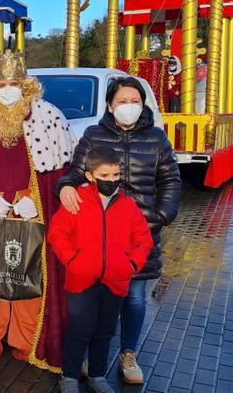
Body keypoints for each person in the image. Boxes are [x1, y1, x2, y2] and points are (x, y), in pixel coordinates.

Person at [0, 50, 75, 372]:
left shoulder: (49, 117)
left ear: (27, 85)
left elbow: (59, 172)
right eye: (3, 83)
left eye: (15, 83)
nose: (9, 88)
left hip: (31, 208)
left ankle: (27, 341)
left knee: (30, 273)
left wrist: (37, 200)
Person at [58, 76, 181, 384]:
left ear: (143, 105)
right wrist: (65, 187)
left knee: (135, 298)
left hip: (140, 230)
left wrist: (162, 214)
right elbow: (75, 171)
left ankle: (128, 354)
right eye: (122, 102)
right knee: (98, 299)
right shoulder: (93, 134)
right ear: (110, 106)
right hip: (100, 233)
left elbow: (171, 180)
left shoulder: (156, 138)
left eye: (135, 102)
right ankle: (92, 357)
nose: (129, 107)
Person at [48, 146, 153, 393]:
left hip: (115, 281)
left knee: (105, 332)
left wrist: (131, 265)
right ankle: (70, 377)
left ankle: (97, 376)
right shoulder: (78, 201)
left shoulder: (127, 206)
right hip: (81, 281)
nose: (112, 181)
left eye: (116, 175)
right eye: (105, 176)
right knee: (80, 331)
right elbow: (57, 233)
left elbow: (144, 239)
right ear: (90, 176)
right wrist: (73, 261)